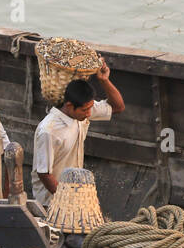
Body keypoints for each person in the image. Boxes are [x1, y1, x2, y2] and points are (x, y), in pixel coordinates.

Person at [32, 60, 126, 207]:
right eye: (85, 110)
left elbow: (118, 107)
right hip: (51, 201)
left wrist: (104, 80)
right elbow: (44, 173)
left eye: (90, 108)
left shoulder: (83, 110)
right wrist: (68, 202)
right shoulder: (49, 131)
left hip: (73, 191)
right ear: (69, 106)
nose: (89, 113)